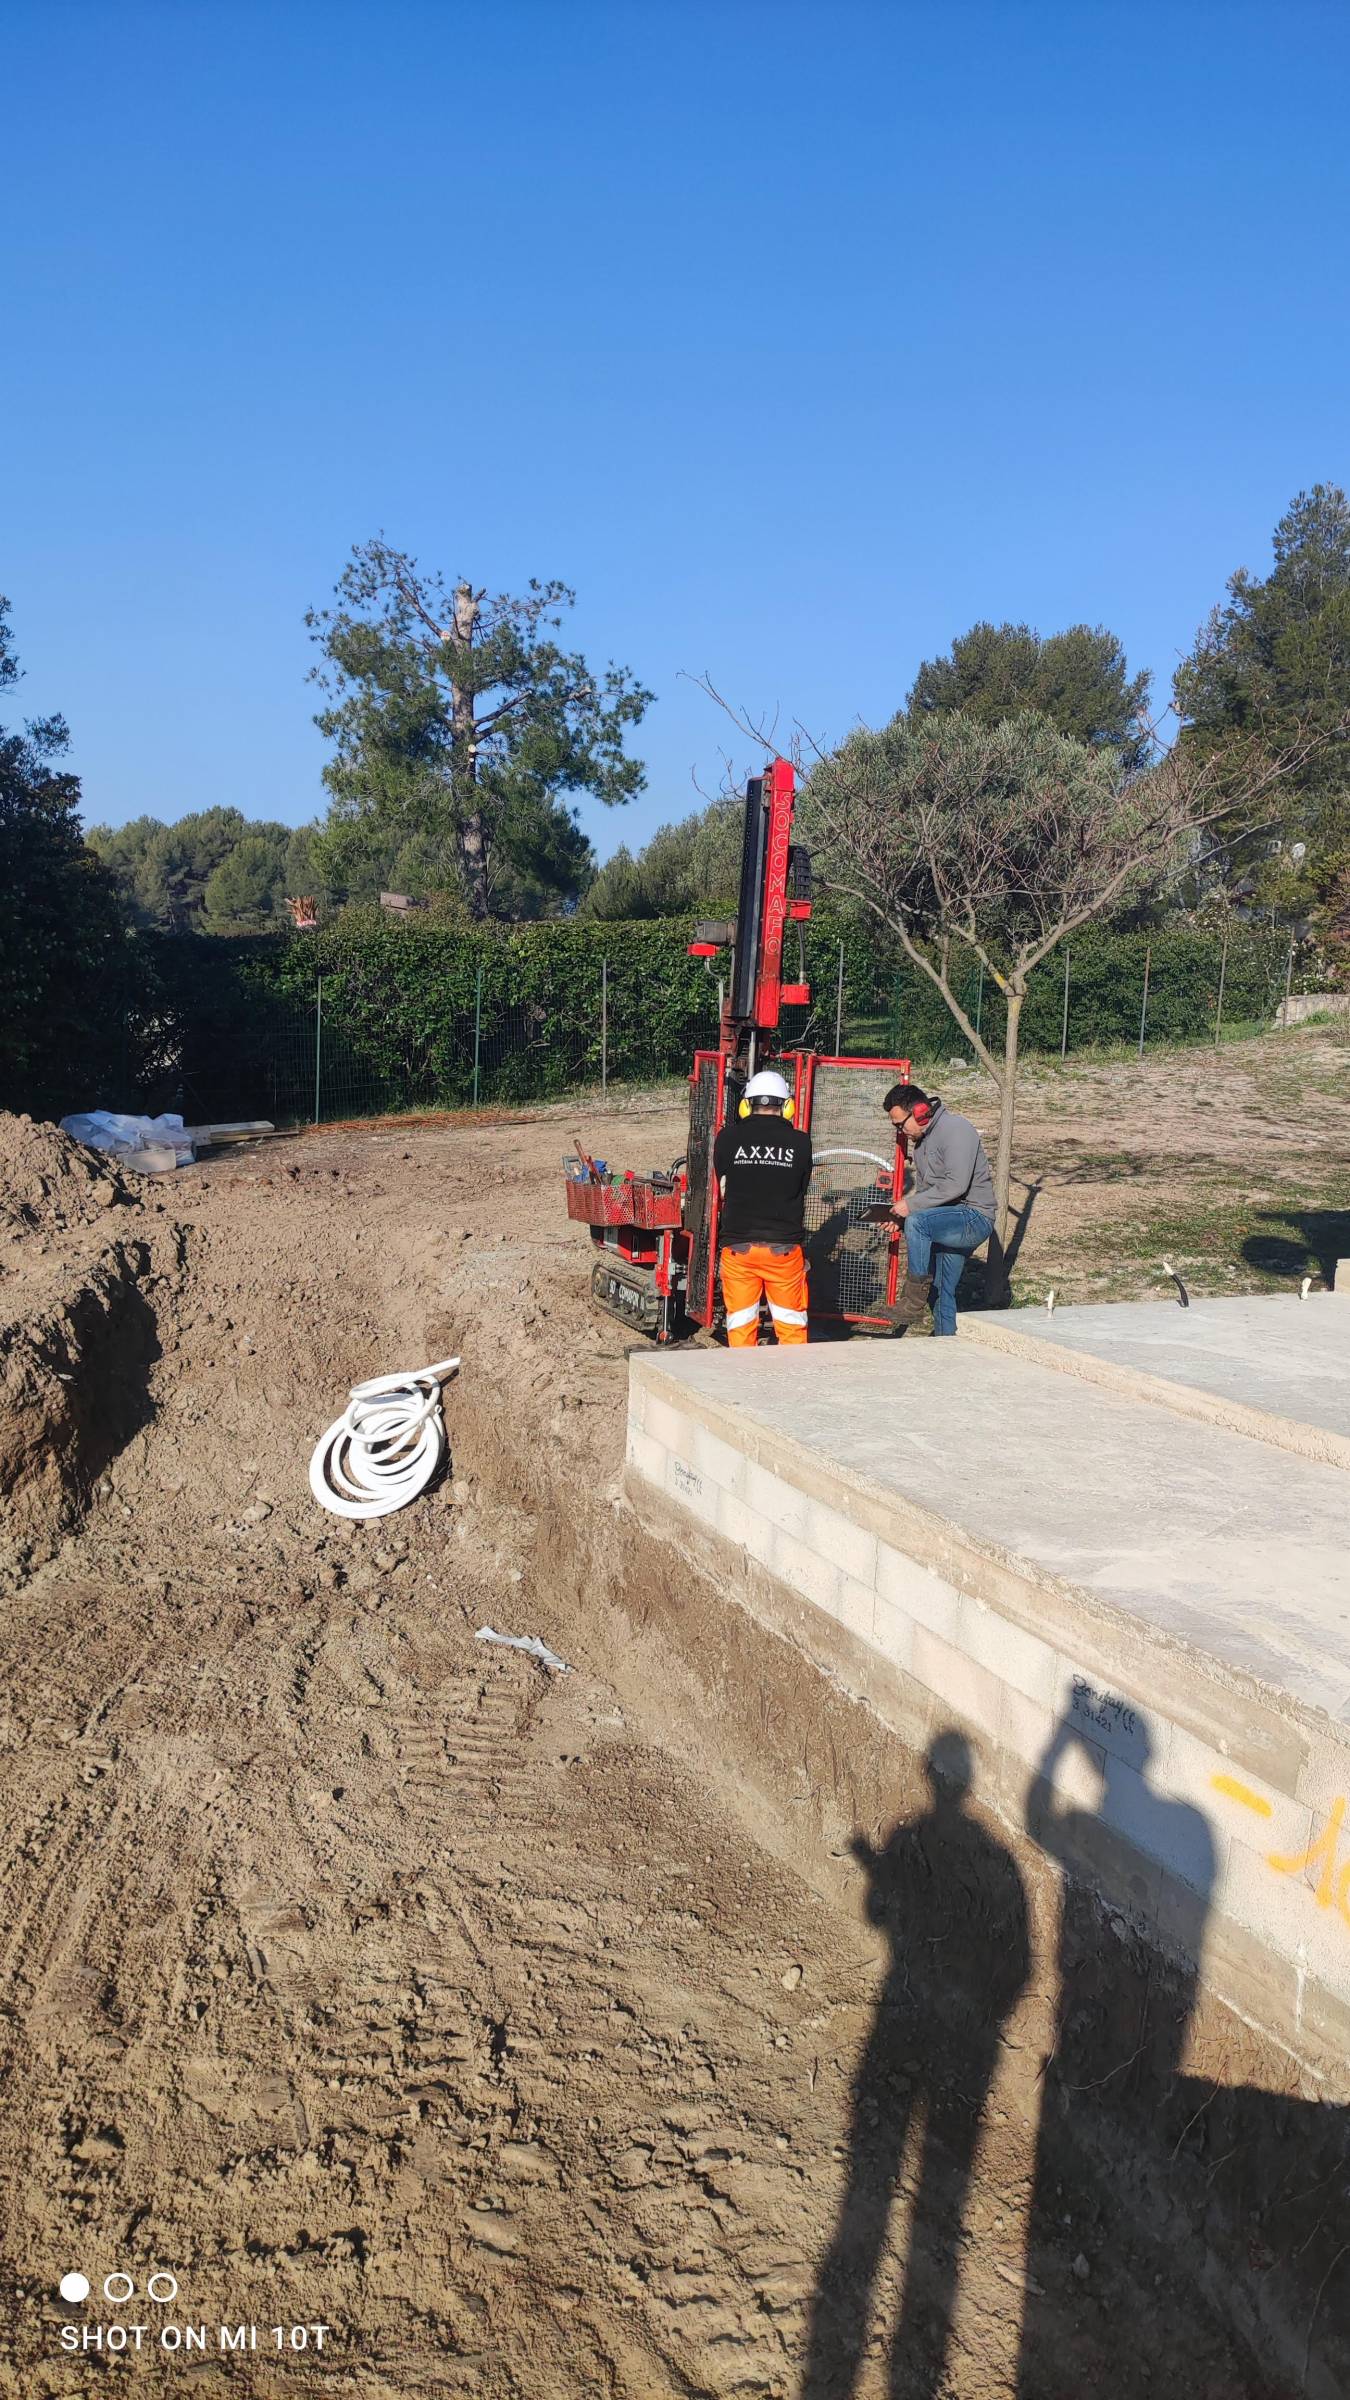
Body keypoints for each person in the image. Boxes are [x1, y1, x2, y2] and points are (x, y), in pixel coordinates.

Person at [884, 1080, 995, 1335]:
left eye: (901, 1124)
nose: (901, 1131)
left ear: (921, 1111)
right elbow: (929, 1196)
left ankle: (912, 1302)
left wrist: (910, 1208)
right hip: (948, 1220)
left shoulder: (956, 1129)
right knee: (942, 1292)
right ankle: (947, 1347)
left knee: (919, 1223)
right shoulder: (922, 1145)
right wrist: (901, 1217)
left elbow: (955, 1185)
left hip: (973, 1217)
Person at [712, 1068, 813, 1347]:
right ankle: (791, 1382)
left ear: (746, 1106)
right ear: (788, 1106)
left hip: (738, 1249)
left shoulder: (727, 1138)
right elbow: (801, 1187)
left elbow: (721, 1176)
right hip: (783, 1251)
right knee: (791, 1326)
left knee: (741, 1324)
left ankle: (742, 1384)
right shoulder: (801, 1143)